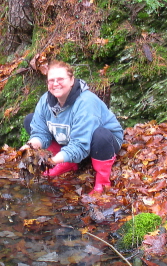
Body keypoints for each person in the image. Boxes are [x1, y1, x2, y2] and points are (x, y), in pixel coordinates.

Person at [20, 60, 123, 194]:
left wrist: (53, 160)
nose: (55, 84)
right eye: (51, 80)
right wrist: (30, 146)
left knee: (100, 135)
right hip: (69, 139)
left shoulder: (86, 102)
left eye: (60, 79)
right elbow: (41, 133)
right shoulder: (45, 101)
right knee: (30, 120)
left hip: (104, 142)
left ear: (72, 80)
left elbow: (80, 144)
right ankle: (67, 163)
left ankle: (102, 183)